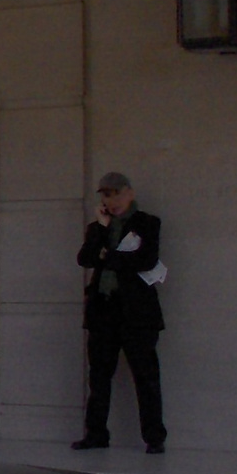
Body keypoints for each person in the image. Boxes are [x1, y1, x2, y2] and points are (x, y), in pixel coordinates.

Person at [74, 172, 167, 454]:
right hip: (104, 311)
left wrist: (108, 256)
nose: (111, 201)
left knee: (146, 376)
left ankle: (154, 437)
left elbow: (145, 259)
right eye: (106, 195)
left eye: (116, 194)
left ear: (129, 193)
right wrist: (102, 230)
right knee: (99, 376)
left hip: (137, 314)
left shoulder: (147, 223)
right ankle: (96, 434)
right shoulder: (98, 227)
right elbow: (85, 258)